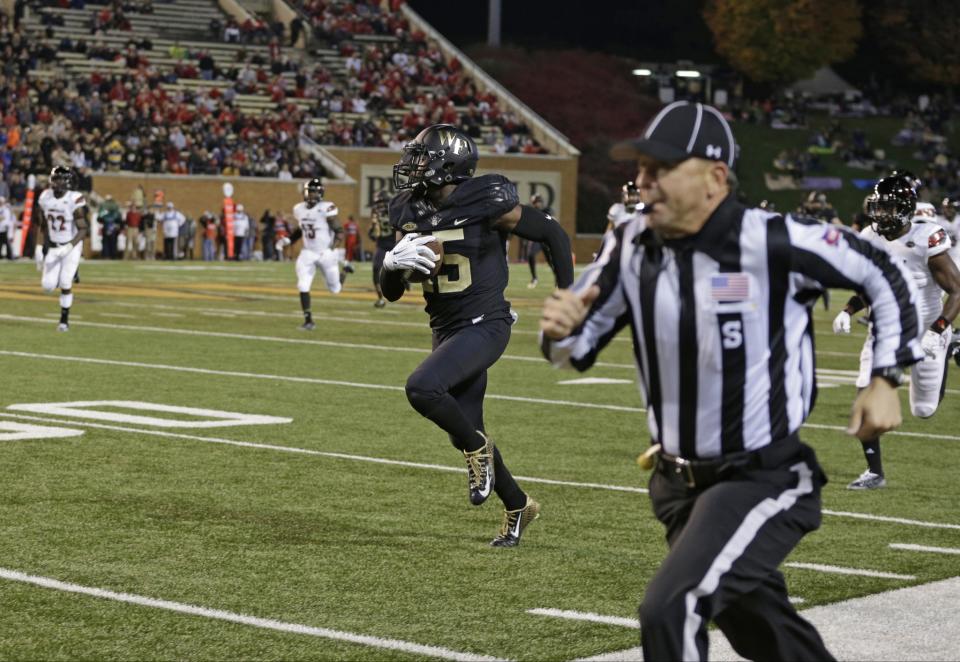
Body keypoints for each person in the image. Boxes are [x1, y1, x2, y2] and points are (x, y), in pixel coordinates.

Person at [539, 101, 923, 660]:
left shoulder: (773, 239)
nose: (643, 182)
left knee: (672, 605)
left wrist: (885, 377)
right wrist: (560, 329)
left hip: (760, 475)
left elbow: (885, 271)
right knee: (763, 630)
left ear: (715, 177)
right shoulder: (632, 245)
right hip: (676, 486)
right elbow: (573, 347)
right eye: (641, 168)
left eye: (661, 168)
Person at [380, 124, 574, 546]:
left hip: (486, 323)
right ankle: (518, 504)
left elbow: (553, 234)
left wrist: (566, 293)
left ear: (448, 165)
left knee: (422, 388)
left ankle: (478, 452)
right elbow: (392, 293)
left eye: (422, 158)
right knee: (463, 426)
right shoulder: (407, 209)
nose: (413, 166)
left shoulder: (488, 201)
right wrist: (389, 267)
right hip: (445, 328)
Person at [832, 175, 960, 490]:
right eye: (878, 208)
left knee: (924, 410)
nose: (880, 216)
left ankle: (948, 344)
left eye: (887, 208)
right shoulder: (870, 237)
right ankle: (874, 472)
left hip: (926, 329)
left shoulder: (927, 237)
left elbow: (956, 291)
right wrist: (847, 311)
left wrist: (937, 330)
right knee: (865, 395)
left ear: (904, 209)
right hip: (884, 332)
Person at [275, 178, 343, 330]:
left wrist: (332, 248)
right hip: (308, 253)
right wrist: (287, 240)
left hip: (326, 252)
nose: (312, 195)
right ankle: (308, 320)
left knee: (335, 289)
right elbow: (301, 230)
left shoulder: (327, 208)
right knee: (302, 285)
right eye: (309, 192)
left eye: (314, 192)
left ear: (320, 193)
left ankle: (345, 272)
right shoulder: (299, 209)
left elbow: (339, 231)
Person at [35, 166, 89, 332]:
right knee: (47, 286)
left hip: (71, 245)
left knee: (65, 281)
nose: (56, 182)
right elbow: (42, 225)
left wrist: (69, 247)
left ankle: (64, 321)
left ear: (68, 182)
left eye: (60, 179)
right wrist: (38, 246)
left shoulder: (74, 199)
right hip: (54, 245)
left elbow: (83, 229)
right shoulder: (45, 197)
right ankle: (69, 272)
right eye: (55, 179)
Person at [368, 190, 396, 308]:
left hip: (395, 244)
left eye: (381, 202)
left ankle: (404, 281)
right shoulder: (375, 212)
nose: (378, 205)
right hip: (382, 244)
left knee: (399, 270)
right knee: (376, 269)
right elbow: (372, 231)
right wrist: (372, 233)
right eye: (377, 202)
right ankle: (380, 298)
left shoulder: (394, 211)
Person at [522, 193, 554, 288]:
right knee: (531, 255)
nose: (537, 204)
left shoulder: (546, 210)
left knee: (550, 260)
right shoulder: (531, 210)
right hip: (537, 239)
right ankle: (534, 278)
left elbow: (550, 221)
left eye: (538, 202)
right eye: (536, 202)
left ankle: (557, 278)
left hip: (546, 239)